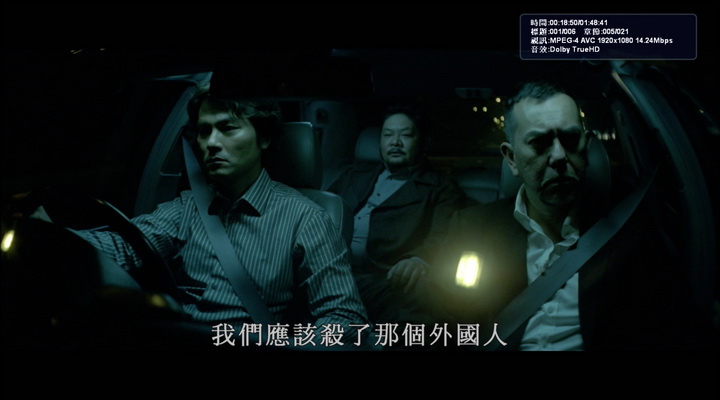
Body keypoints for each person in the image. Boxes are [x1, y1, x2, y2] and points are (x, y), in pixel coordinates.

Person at [34, 86, 371, 350]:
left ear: (264, 138)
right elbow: (121, 246)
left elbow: (346, 318)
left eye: (227, 128)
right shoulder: (185, 209)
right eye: (203, 131)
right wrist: (42, 234)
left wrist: (285, 346)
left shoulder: (306, 218)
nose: (211, 143)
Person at [426, 80, 717, 351]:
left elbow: (679, 326)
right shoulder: (472, 230)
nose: (559, 156)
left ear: (586, 147)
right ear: (512, 158)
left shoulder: (629, 232)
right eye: (539, 143)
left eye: (569, 139)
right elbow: (440, 323)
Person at [327, 104, 464, 331]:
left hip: (380, 275)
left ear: (423, 142)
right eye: (388, 135)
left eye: (406, 135)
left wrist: (419, 259)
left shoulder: (439, 187)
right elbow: (318, 213)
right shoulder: (353, 176)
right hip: (330, 267)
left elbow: (443, 234)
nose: (395, 142)